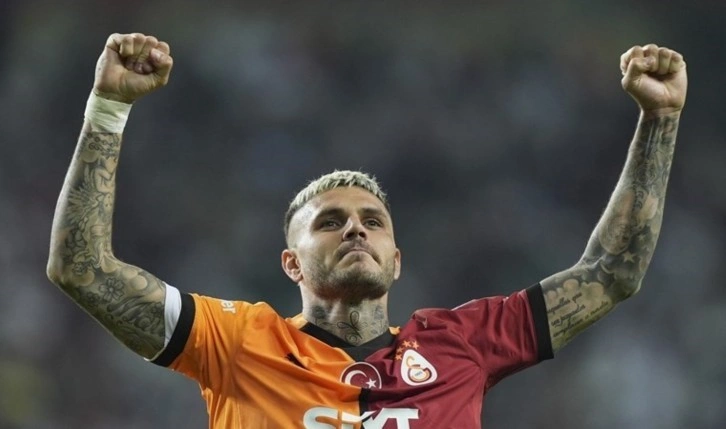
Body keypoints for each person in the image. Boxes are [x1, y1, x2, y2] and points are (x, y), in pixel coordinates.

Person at [46, 32, 687, 428]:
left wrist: (660, 120)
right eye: (331, 222)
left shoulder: (462, 344)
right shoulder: (237, 344)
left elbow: (612, 273)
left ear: (396, 259)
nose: (355, 229)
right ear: (292, 263)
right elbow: (82, 270)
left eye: (372, 221)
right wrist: (109, 107)